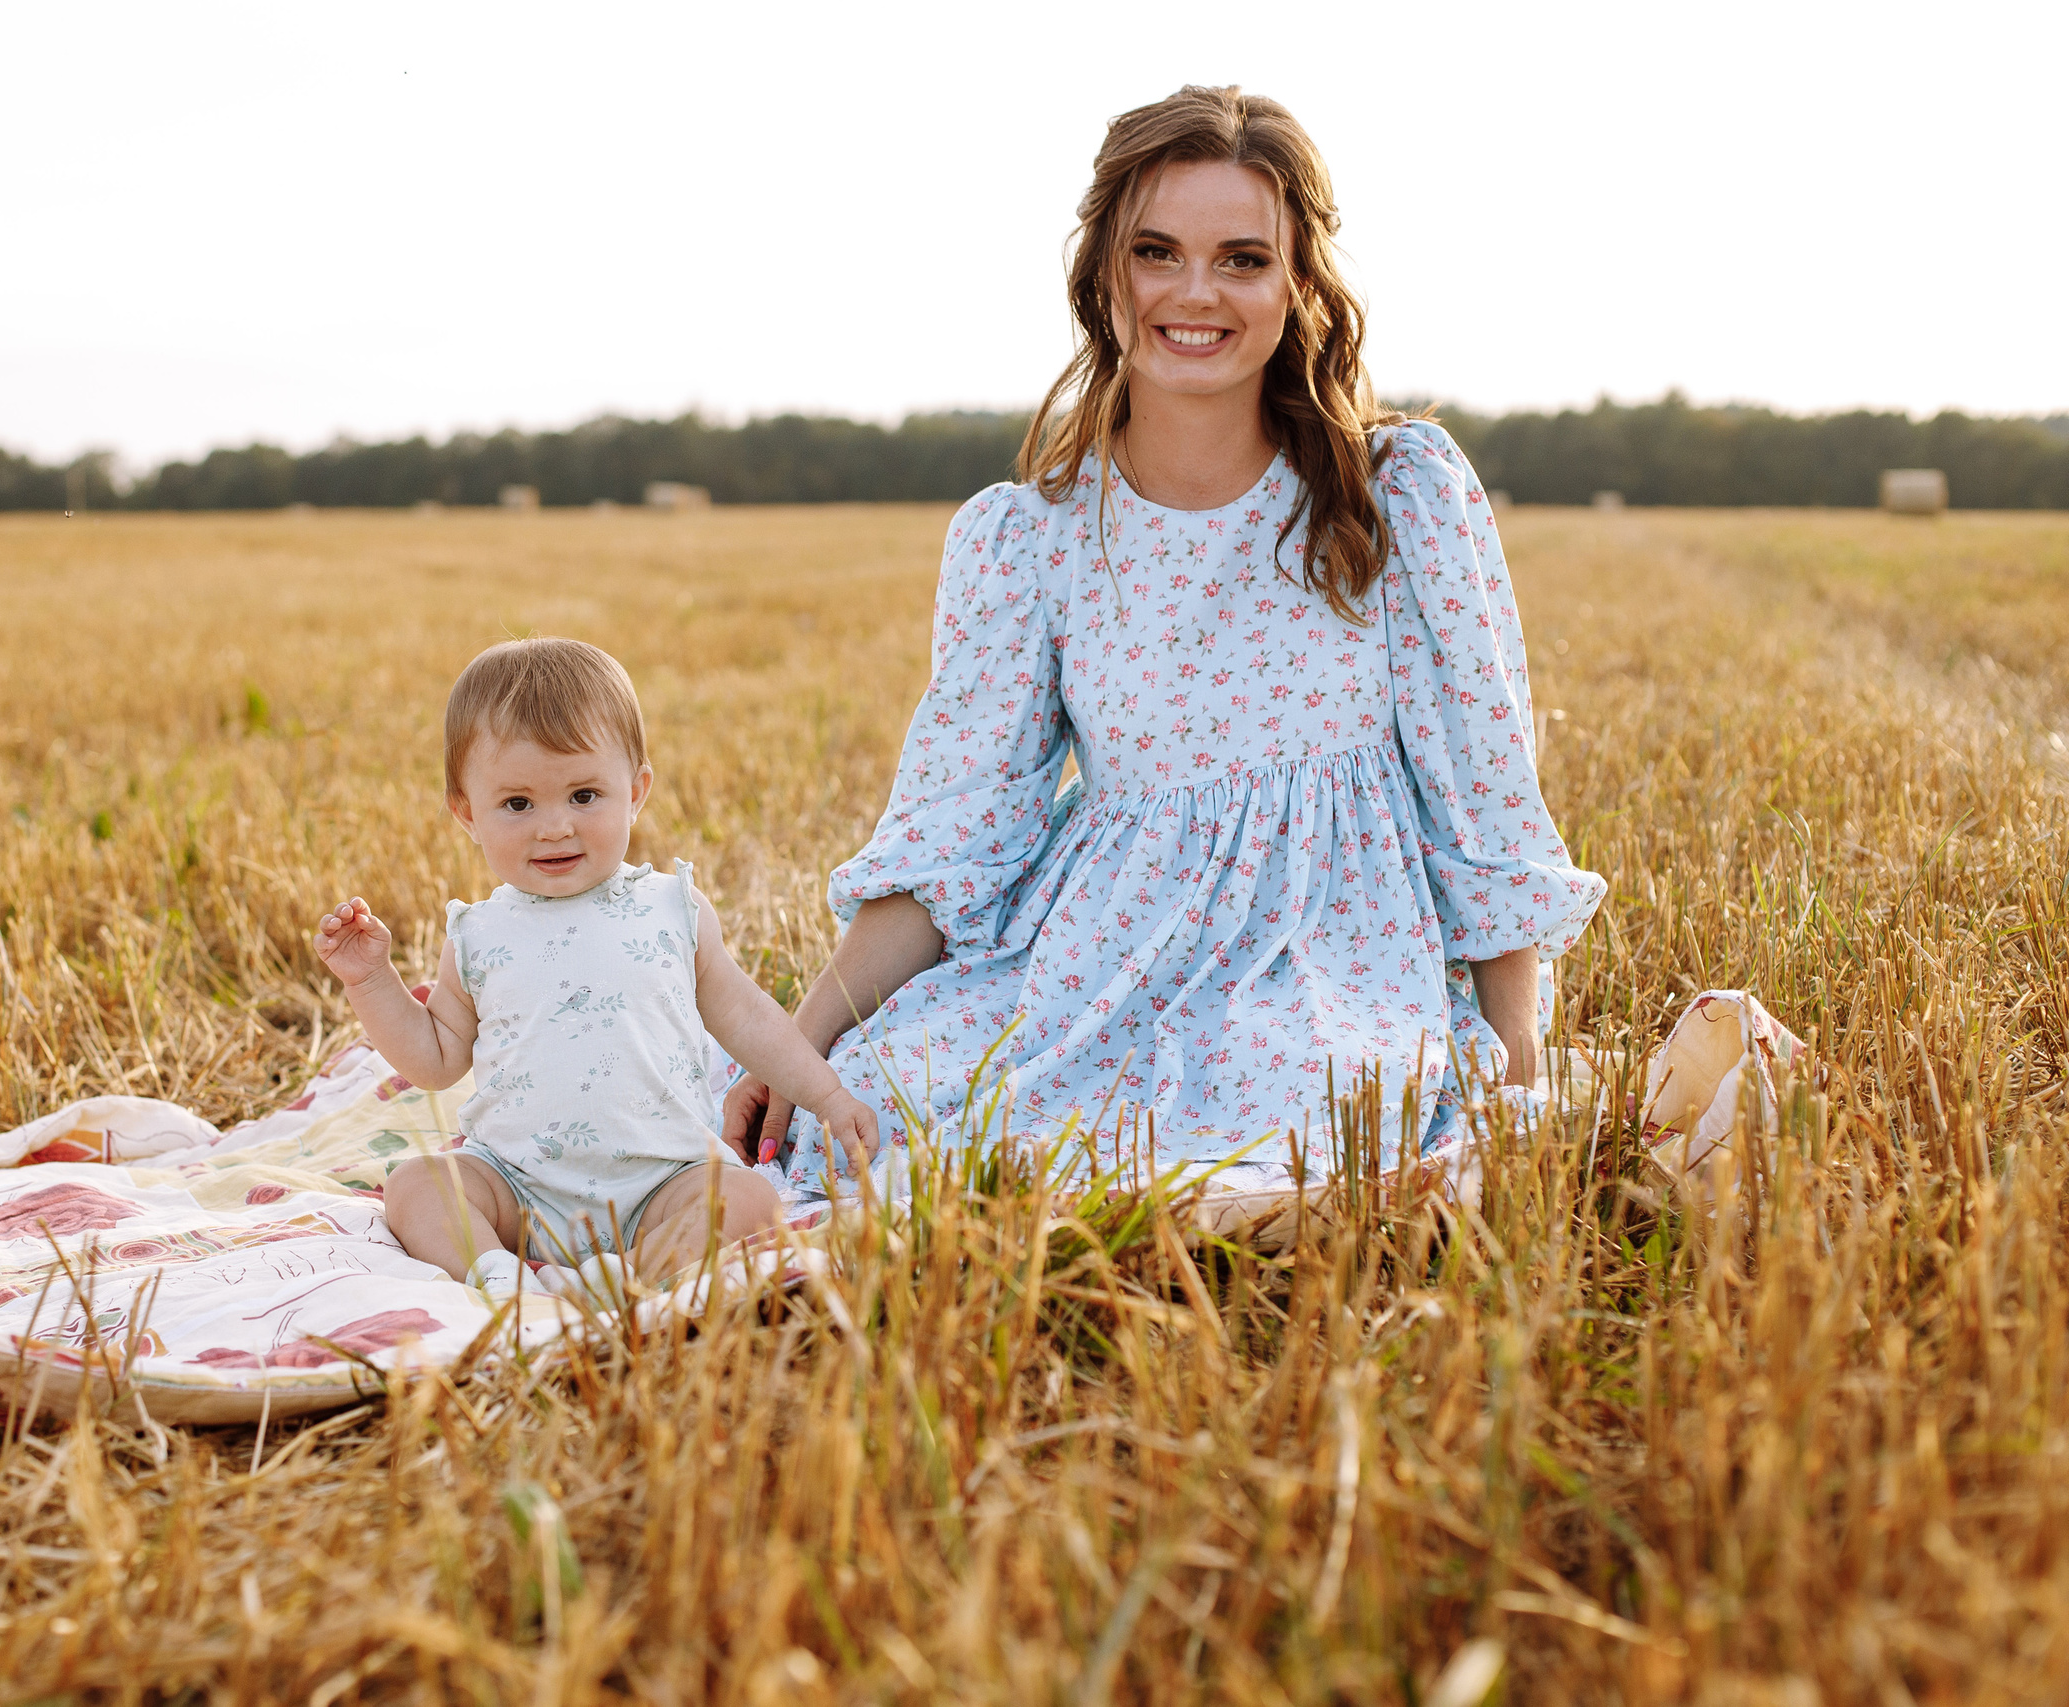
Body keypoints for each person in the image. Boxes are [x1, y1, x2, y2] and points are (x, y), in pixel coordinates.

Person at [724, 85, 1606, 1198]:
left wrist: (1515, 1047)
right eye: (1157, 251)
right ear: (1104, 273)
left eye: (1242, 258)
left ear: (1298, 282)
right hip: (1092, 962)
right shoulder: (1025, 538)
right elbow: (954, 845)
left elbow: (1478, 786)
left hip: (1328, 961)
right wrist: (800, 1047)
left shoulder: (1397, 496)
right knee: (888, 1110)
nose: (1196, 293)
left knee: (1305, 1125)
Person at [313, 637, 879, 1304]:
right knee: (416, 1186)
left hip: (664, 1178)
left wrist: (828, 1096)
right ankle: (493, 1271)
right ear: (466, 810)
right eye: (518, 804)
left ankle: (633, 1274)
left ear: (636, 792)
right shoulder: (479, 933)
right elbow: (435, 1059)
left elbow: (751, 1018)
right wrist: (370, 981)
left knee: (748, 1200)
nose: (555, 827)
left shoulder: (674, 908)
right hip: (515, 1185)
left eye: (584, 795)